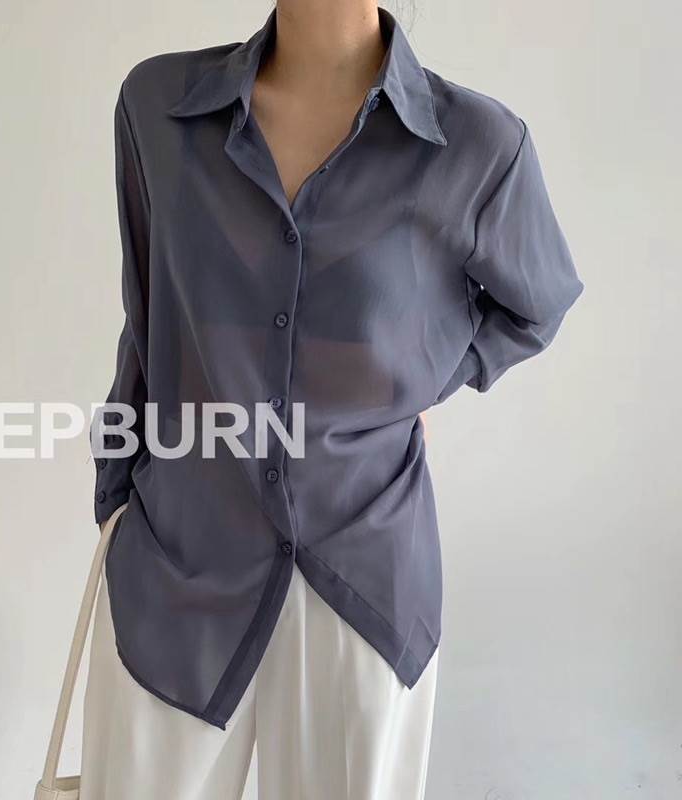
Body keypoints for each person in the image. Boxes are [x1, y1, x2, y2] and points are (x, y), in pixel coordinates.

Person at [80, 2, 584, 798]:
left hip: (363, 579)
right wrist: (116, 503)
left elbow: (537, 305)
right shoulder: (158, 108)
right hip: (176, 566)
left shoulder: (479, 147)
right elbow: (148, 317)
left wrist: (422, 380)